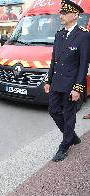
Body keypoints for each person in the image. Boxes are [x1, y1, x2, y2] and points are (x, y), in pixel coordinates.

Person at [44, 0, 90, 162]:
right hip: (57, 81)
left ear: (75, 15)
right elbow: (54, 60)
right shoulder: (59, 34)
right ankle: (71, 136)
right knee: (53, 110)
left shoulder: (84, 36)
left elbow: (83, 64)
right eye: (61, 13)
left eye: (64, 13)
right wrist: (48, 80)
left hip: (71, 85)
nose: (60, 16)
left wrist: (77, 88)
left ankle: (64, 145)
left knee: (69, 115)